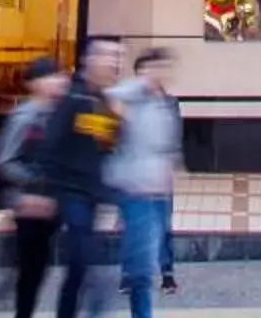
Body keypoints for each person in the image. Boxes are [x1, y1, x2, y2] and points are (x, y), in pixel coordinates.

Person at [43, 37, 124, 318]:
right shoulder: (72, 99)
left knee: (79, 268)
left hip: (92, 195)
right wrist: (44, 192)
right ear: (89, 60)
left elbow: (105, 147)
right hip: (69, 193)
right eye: (108, 56)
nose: (114, 63)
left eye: (118, 57)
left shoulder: (104, 102)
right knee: (83, 261)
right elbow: (50, 145)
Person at [0, 57, 68, 318]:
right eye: (52, 76)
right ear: (34, 84)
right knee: (27, 271)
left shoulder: (59, 114)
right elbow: (4, 160)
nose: (60, 81)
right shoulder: (25, 116)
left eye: (61, 75)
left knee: (34, 269)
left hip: (49, 204)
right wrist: (32, 185)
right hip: (28, 205)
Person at [109, 47, 182, 318]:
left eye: (164, 68)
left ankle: (165, 273)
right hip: (135, 189)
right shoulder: (130, 97)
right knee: (140, 265)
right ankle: (132, 279)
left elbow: (170, 143)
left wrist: (172, 167)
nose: (159, 74)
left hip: (159, 188)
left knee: (163, 232)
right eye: (153, 69)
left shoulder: (166, 103)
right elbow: (108, 102)